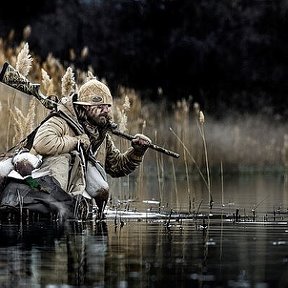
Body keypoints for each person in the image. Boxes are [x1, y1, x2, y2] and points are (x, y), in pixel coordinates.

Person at [26, 78, 151, 219]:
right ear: (84, 106)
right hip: (45, 204)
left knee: (101, 189)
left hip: (76, 213)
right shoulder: (60, 121)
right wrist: (77, 141)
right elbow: (42, 143)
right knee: (62, 159)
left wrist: (137, 151)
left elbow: (117, 166)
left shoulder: (100, 134)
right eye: (99, 106)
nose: (105, 111)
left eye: (108, 106)